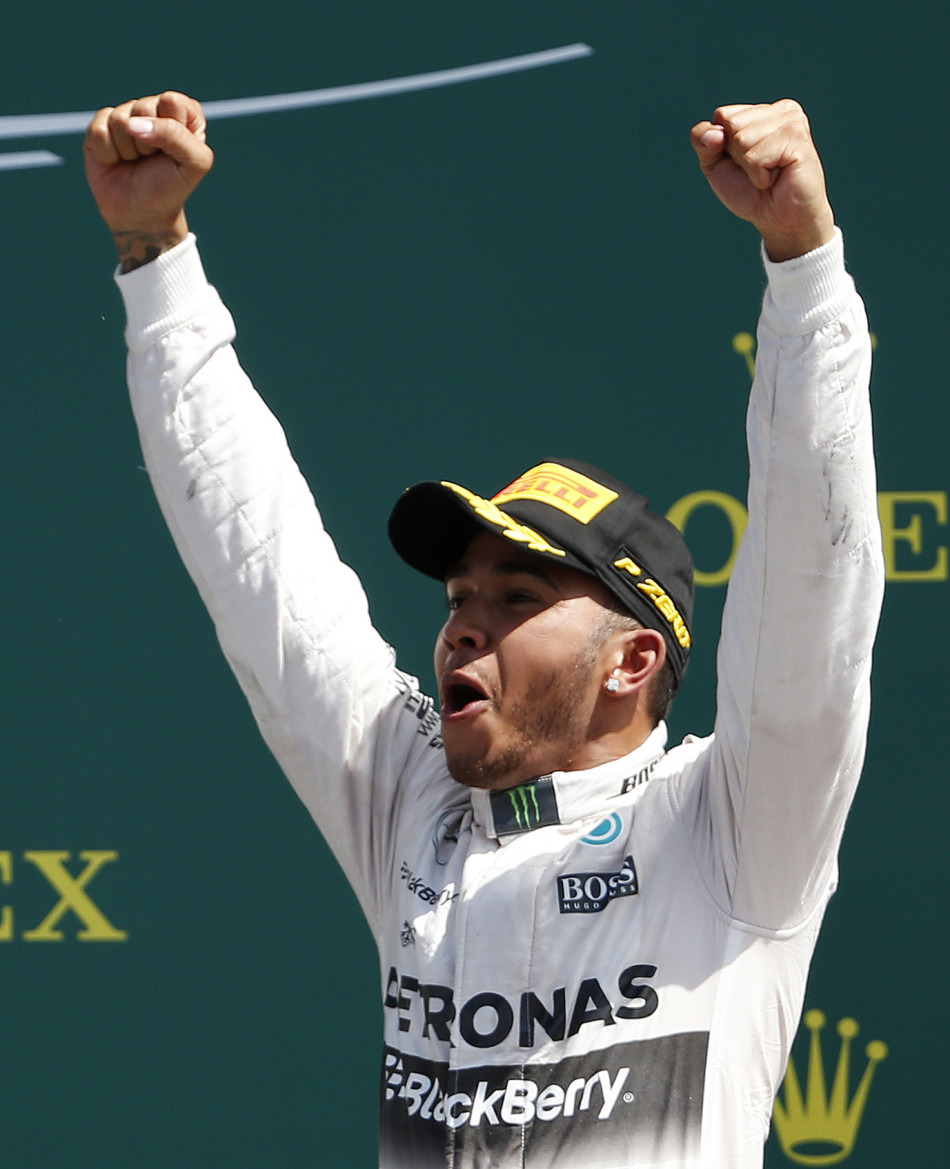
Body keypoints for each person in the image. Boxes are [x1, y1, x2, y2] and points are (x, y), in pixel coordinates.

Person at [84, 93, 884, 1168]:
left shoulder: (730, 830)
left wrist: (802, 268)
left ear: (631, 659)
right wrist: (154, 254)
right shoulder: (416, 802)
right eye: (461, 596)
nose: (464, 627)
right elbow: (260, 569)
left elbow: (807, 602)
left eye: (515, 599)